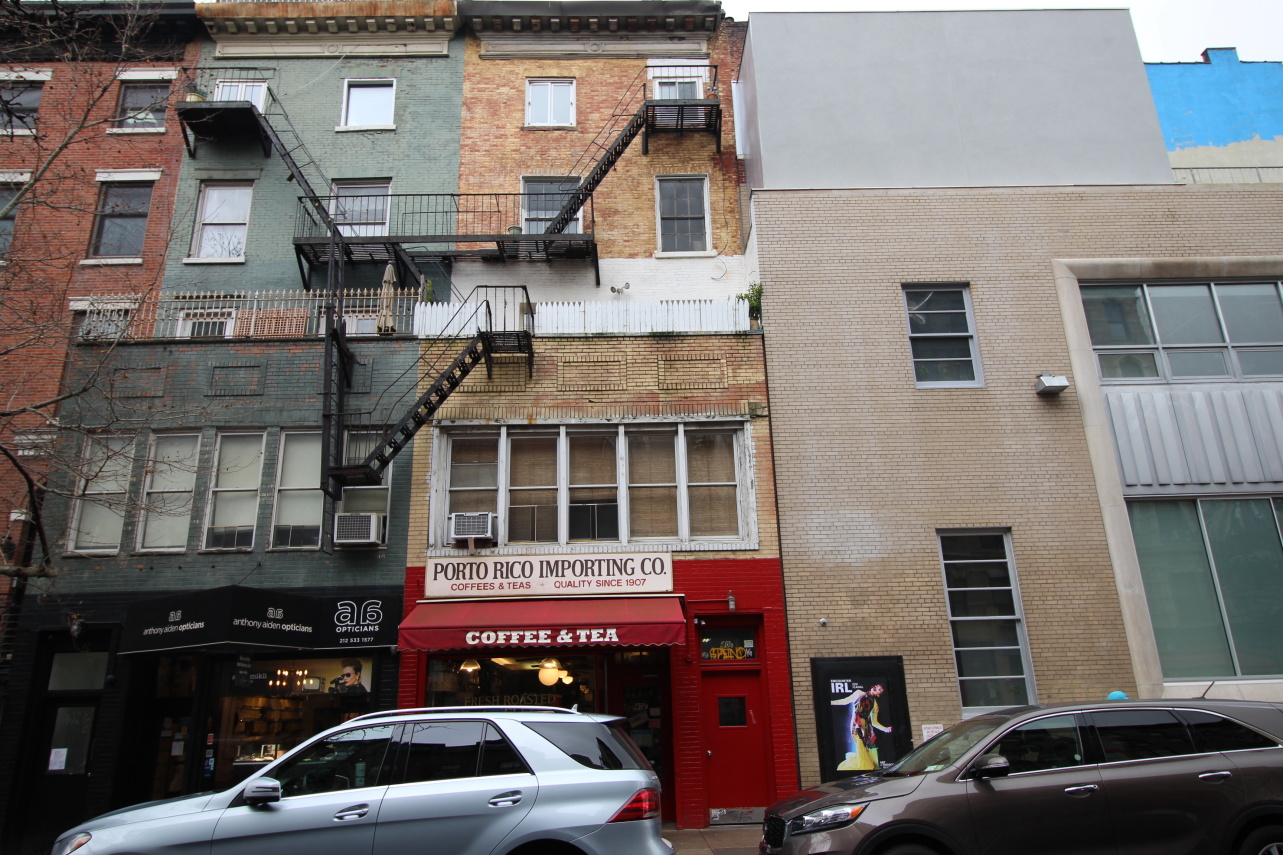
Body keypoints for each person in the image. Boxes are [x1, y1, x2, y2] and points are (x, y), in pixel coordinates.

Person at [832, 683, 892, 771]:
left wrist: (885, 729)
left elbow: (874, 722)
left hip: (864, 727)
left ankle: (864, 768)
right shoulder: (858, 693)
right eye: (877, 686)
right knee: (860, 744)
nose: (876, 688)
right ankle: (863, 767)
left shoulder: (875, 705)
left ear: (878, 694)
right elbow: (845, 701)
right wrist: (830, 702)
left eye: (879, 690)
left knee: (862, 747)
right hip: (855, 724)